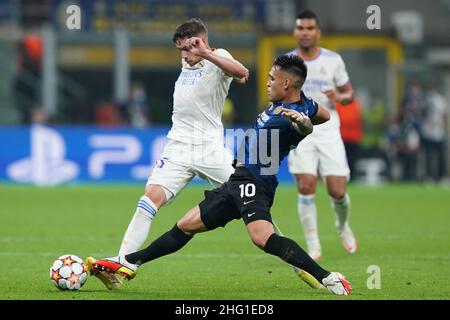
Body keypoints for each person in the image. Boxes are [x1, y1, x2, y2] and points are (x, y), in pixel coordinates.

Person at [86, 55, 351, 296]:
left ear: (287, 84)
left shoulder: (289, 116)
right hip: (238, 179)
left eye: (272, 79)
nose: (267, 83)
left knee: (261, 237)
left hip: (255, 183)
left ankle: (327, 277)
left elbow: (304, 128)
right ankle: (129, 262)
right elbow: (324, 115)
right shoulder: (302, 102)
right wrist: (306, 114)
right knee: (186, 225)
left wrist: (303, 123)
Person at [111, 18, 249, 260]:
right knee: (148, 201)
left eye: (188, 48)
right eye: (181, 50)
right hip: (178, 147)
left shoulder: (217, 57)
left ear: (203, 42)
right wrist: (192, 52)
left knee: (250, 198)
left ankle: (294, 260)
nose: (185, 55)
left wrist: (205, 53)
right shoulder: (187, 62)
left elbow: (242, 74)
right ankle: (121, 264)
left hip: (209, 147)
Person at [286, 10, 357, 260]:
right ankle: (313, 244)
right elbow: (275, 93)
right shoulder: (287, 61)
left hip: (327, 129)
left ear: (317, 32)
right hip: (299, 129)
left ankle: (342, 225)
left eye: (309, 28)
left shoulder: (334, 60)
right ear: (295, 32)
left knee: (337, 191)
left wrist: (340, 97)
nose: (305, 32)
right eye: (301, 28)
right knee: (306, 186)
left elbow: (349, 95)